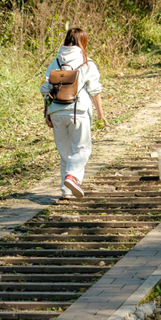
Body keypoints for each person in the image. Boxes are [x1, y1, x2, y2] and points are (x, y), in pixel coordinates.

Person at [41, 27, 108, 199]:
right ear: (82, 42)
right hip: (78, 112)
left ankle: (66, 191)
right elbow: (94, 90)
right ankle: (73, 177)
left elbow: (46, 89)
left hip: (56, 111)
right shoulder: (86, 62)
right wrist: (101, 114)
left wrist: (47, 112)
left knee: (65, 153)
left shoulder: (54, 62)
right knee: (81, 149)